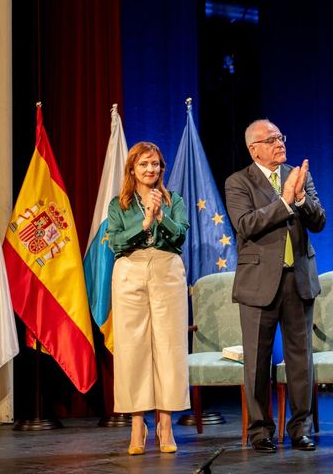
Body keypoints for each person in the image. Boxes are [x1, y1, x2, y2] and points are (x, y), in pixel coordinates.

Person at [225, 119, 326, 453]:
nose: (280, 143)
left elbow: (320, 220)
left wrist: (299, 199)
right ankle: (260, 431)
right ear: (254, 148)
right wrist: (283, 203)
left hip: (298, 280)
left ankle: (300, 428)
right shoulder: (238, 182)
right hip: (258, 283)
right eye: (271, 140)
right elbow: (246, 225)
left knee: (301, 360)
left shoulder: (298, 175)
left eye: (281, 137)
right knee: (257, 361)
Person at [107, 141, 190, 455]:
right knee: (133, 347)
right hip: (130, 269)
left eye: (155, 164)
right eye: (143, 164)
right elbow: (115, 242)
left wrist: (159, 217)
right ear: (132, 168)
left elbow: (180, 234)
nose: (150, 170)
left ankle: (165, 423)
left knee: (170, 345)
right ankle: (137, 422)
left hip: (167, 268)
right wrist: (143, 224)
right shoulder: (120, 204)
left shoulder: (174, 199)